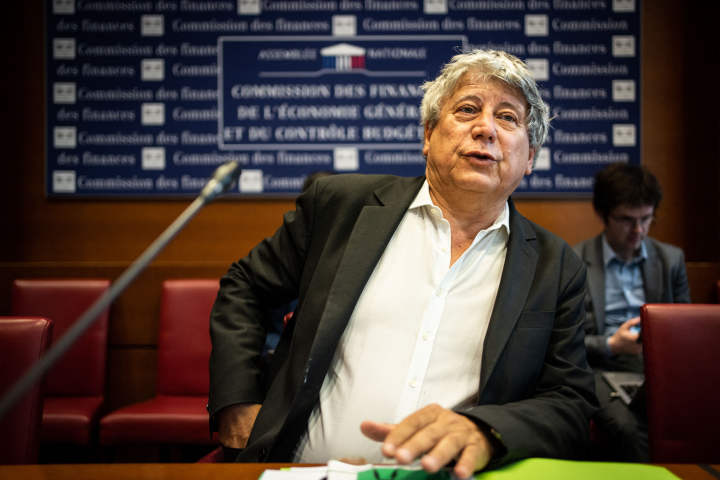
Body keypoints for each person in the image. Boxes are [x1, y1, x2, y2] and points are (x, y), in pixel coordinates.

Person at [208, 50, 597, 476]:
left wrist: (486, 432)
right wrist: (237, 400)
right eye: (467, 109)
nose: (485, 128)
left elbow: (570, 403)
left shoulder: (556, 267)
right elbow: (245, 285)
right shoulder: (342, 207)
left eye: (508, 118)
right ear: (428, 134)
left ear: (530, 158)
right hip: (305, 470)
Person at [573, 163, 690, 462]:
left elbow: (684, 330)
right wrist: (612, 345)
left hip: (655, 367)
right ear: (603, 214)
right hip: (600, 368)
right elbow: (565, 343)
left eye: (646, 219)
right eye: (626, 220)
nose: (638, 230)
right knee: (625, 426)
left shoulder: (670, 260)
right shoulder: (574, 261)